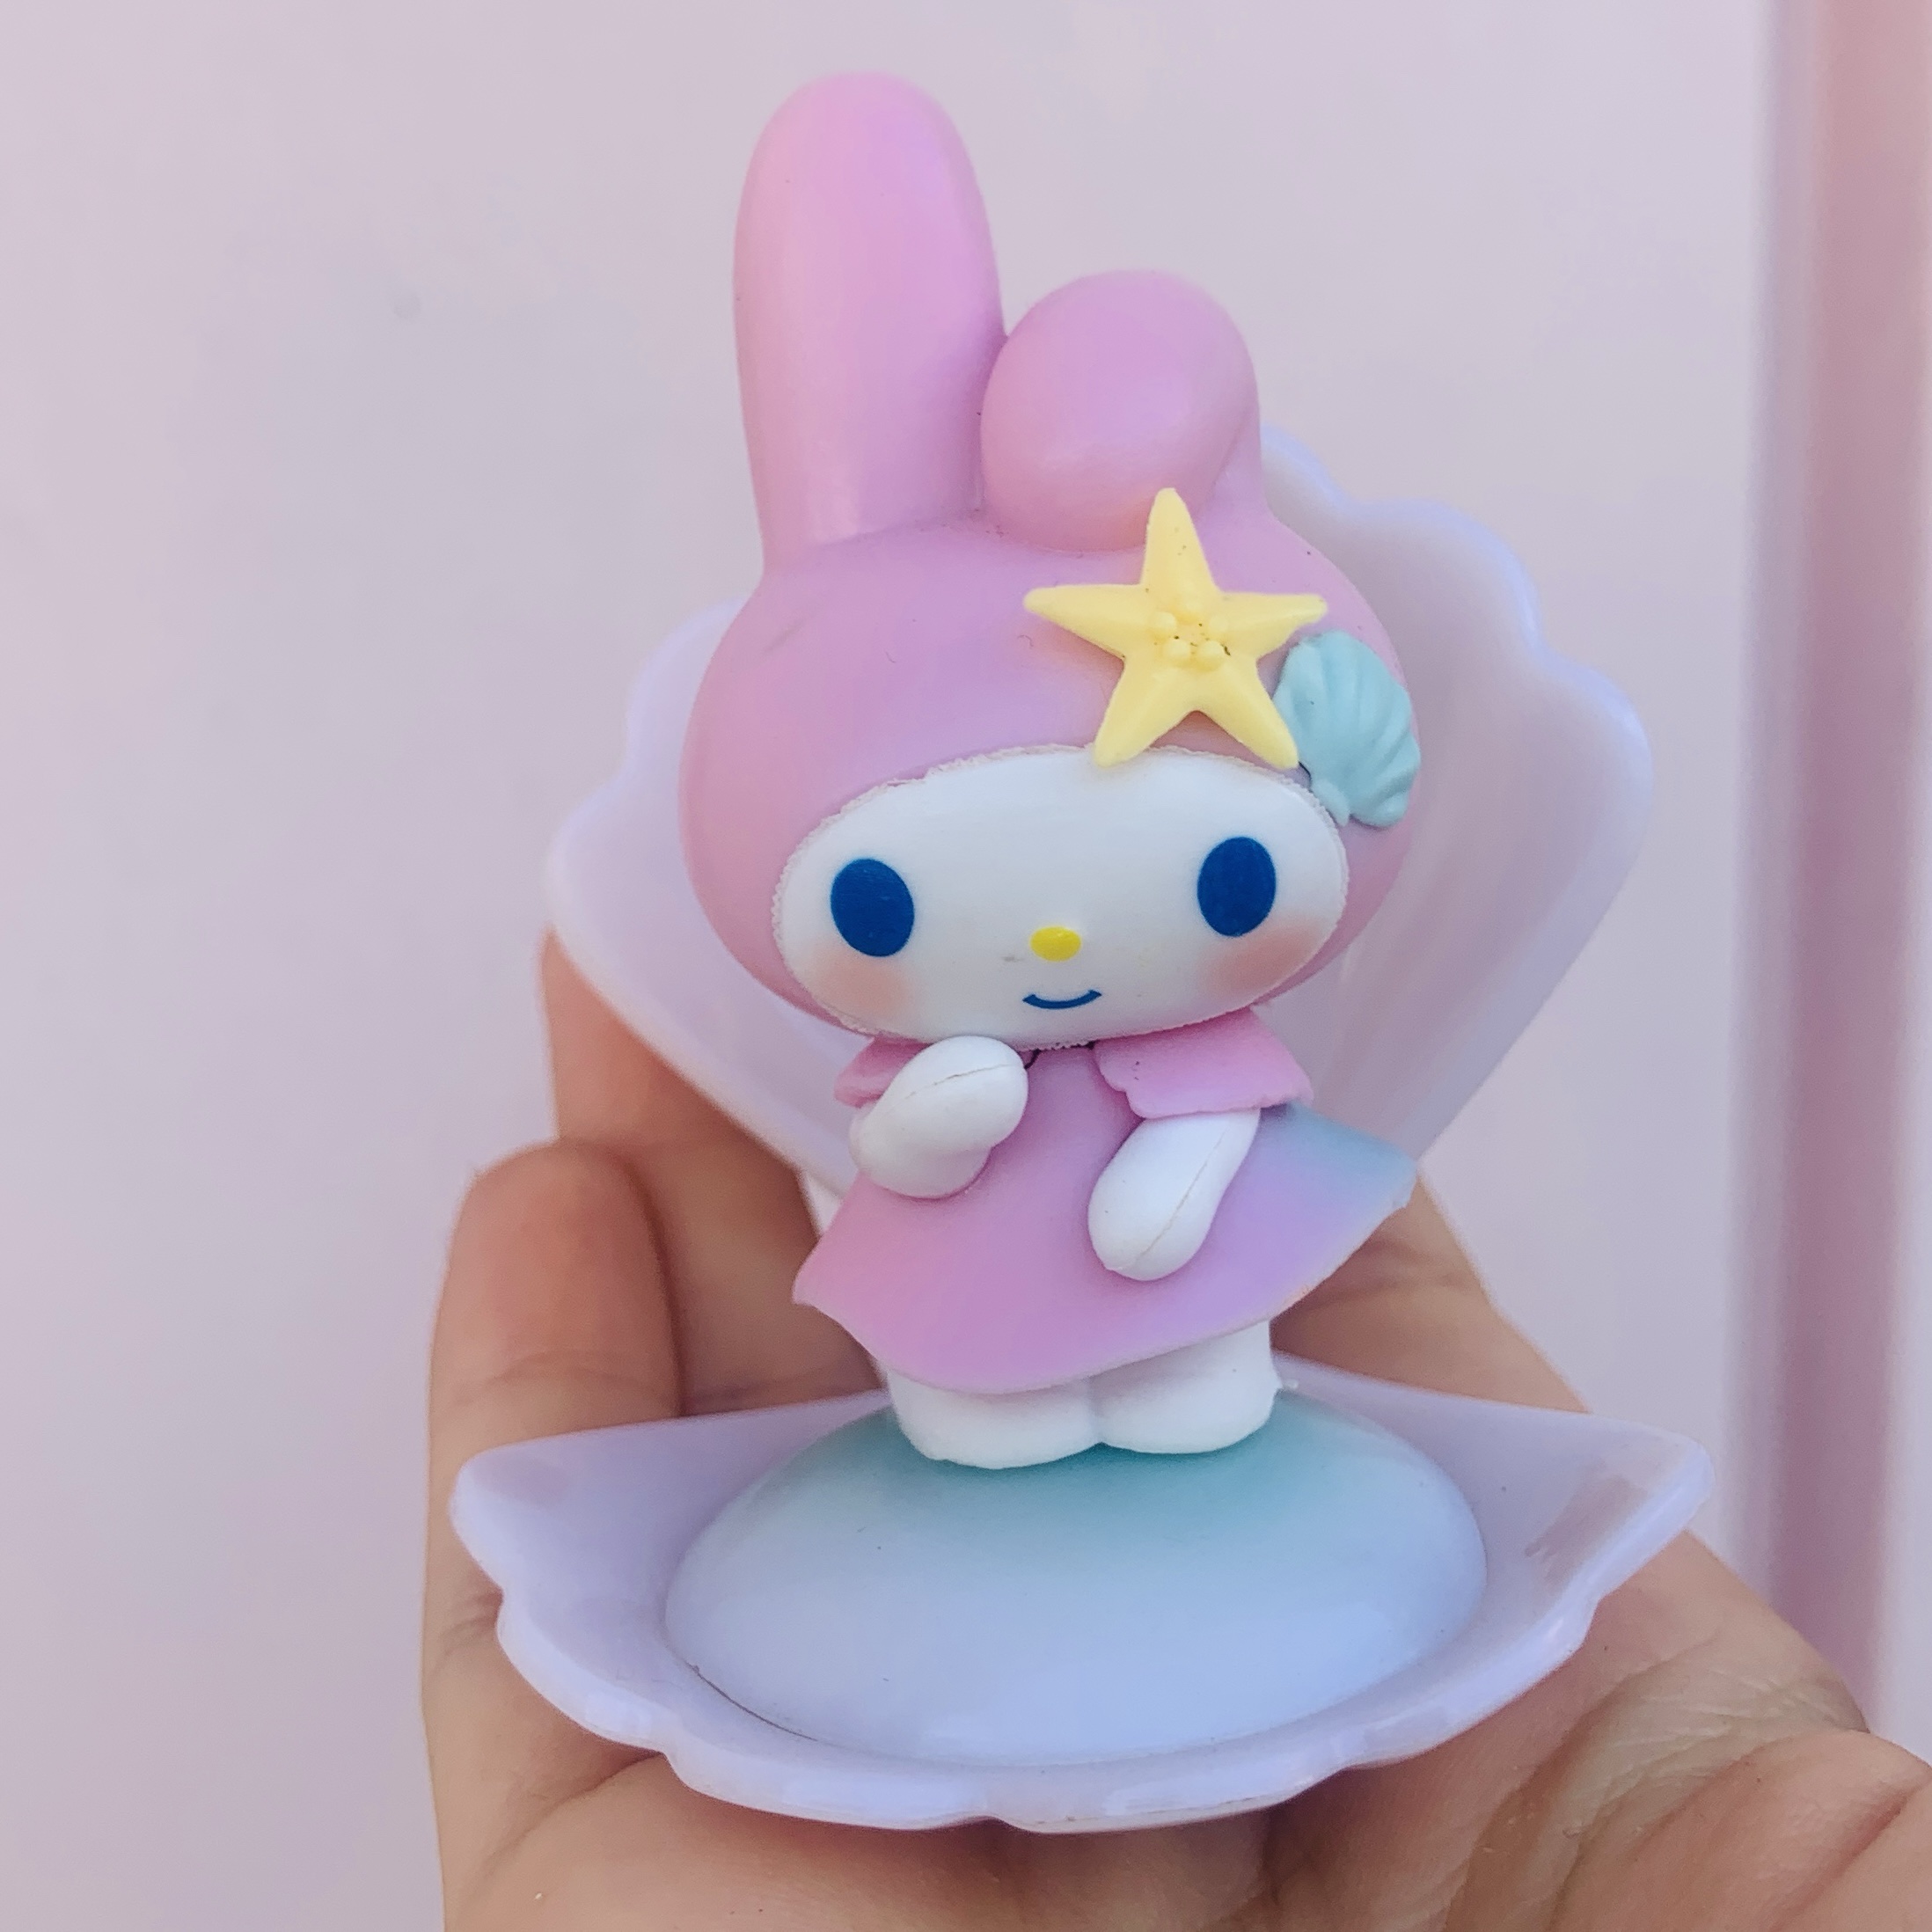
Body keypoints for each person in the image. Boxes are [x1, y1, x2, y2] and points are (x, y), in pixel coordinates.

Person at [422, 947, 1932, 1928]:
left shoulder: (1206, 1043)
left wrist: (1178, 1185)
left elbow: (1223, 1117)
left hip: (1190, 1295)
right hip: (978, 1280)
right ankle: (1013, 1411)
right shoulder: (934, 1038)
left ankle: (1156, 1401)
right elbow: (899, 1142)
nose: (1059, 937)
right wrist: (942, 1119)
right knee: (979, 1393)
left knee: (1192, 1380)